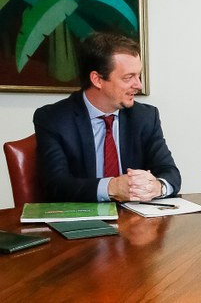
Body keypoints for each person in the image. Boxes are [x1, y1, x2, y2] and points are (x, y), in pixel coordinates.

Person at [34, 32, 181, 202]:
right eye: (128, 77)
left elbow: (170, 172)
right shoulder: (53, 119)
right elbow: (55, 185)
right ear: (97, 79)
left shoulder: (145, 117)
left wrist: (157, 187)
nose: (138, 85)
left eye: (138, 75)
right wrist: (111, 187)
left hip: (136, 222)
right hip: (83, 222)